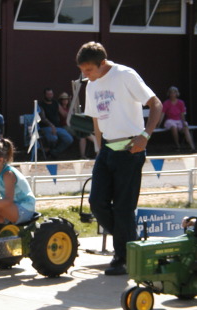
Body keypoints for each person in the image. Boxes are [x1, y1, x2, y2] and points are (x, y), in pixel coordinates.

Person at [77, 41, 162, 275]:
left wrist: (145, 136)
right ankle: (130, 243)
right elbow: (96, 120)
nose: (85, 75)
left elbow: (156, 104)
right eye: (82, 70)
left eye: (89, 70)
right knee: (97, 203)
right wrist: (98, 150)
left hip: (130, 148)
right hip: (106, 150)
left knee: (124, 207)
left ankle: (122, 257)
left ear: (102, 63)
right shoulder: (91, 86)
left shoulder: (125, 74)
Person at [58, 92, 98, 159]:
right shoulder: (60, 108)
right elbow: (66, 116)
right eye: (63, 99)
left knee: (82, 135)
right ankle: (98, 146)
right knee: (83, 133)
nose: (65, 101)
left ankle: (83, 155)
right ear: (61, 100)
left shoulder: (69, 108)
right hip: (65, 126)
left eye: (66, 99)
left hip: (74, 126)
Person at [38, 88, 73, 159]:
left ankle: (53, 152)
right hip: (46, 127)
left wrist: (71, 108)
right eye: (48, 94)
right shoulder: (41, 105)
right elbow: (43, 118)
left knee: (69, 139)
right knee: (53, 138)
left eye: (51, 94)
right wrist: (52, 126)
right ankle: (50, 154)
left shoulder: (55, 103)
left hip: (58, 127)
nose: (50, 96)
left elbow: (64, 114)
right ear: (45, 95)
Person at [159, 86, 195, 152]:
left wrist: (184, 122)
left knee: (186, 127)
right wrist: (158, 124)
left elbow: (182, 114)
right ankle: (177, 145)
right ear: (169, 94)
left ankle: (192, 147)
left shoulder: (181, 103)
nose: (172, 94)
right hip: (170, 120)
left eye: (174, 93)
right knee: (174, 127)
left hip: (179, 120)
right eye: (171, 93)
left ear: (177, 94)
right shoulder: (166, 103)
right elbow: (162, 114)